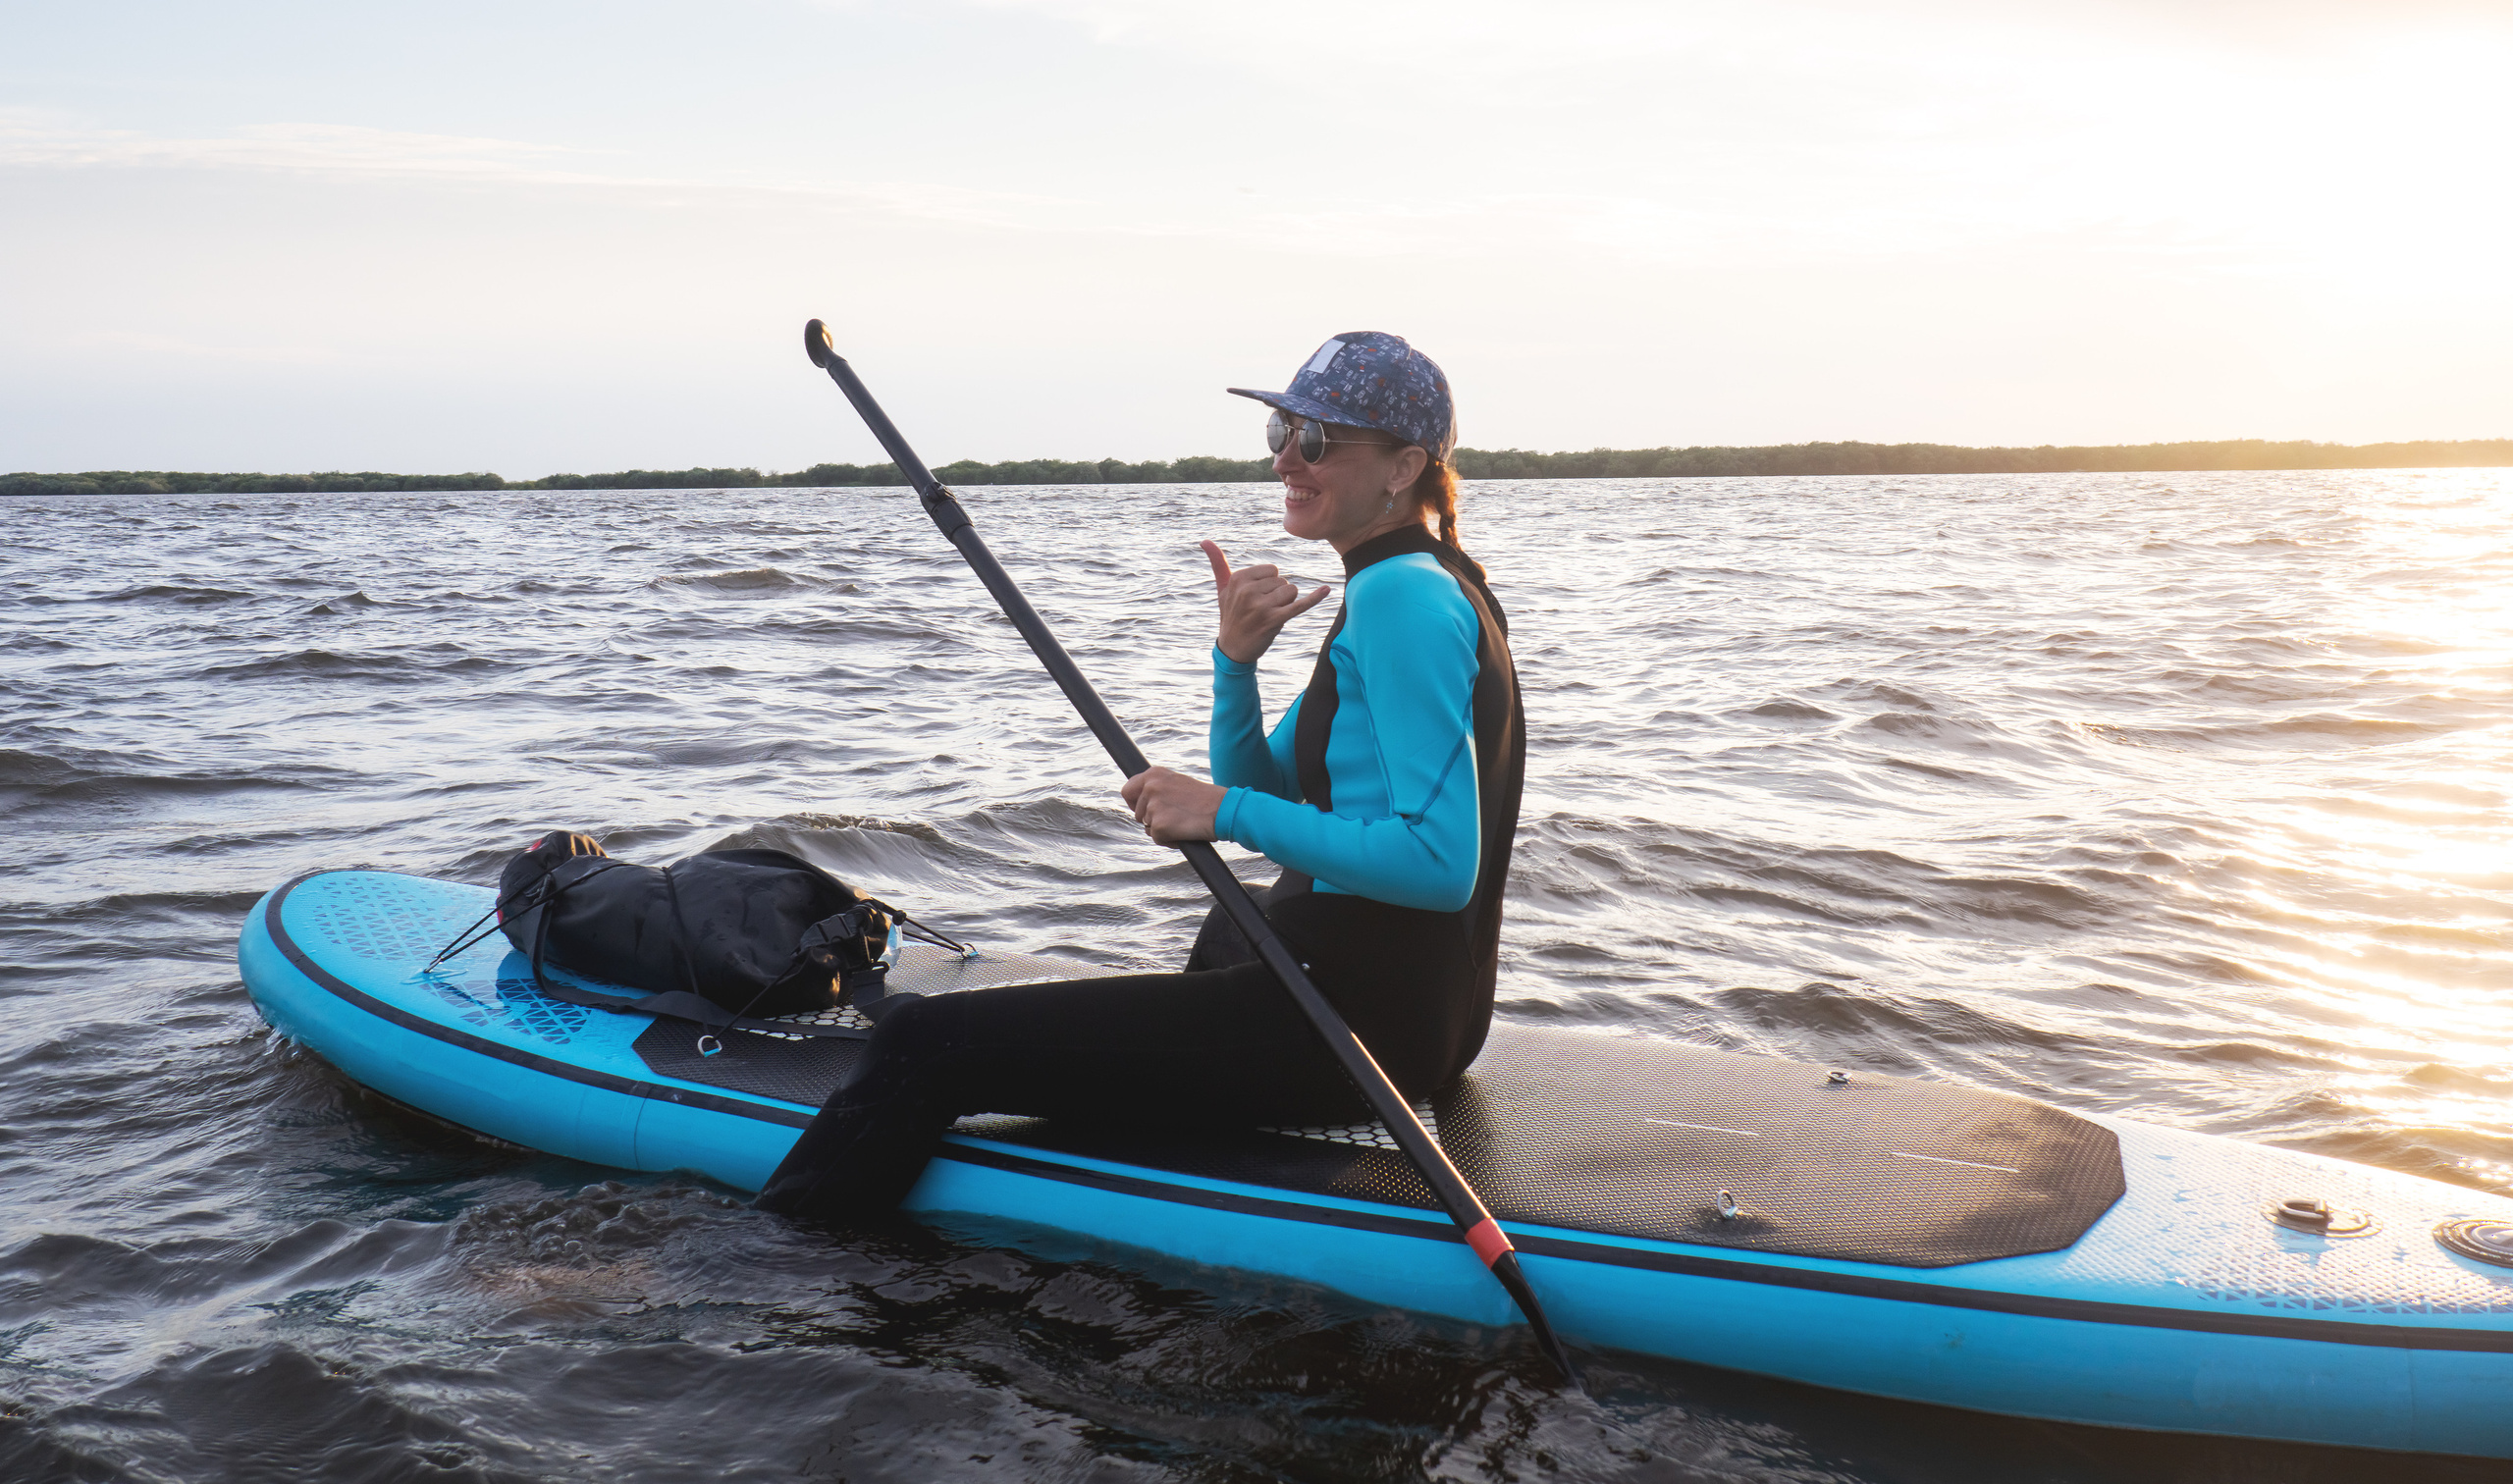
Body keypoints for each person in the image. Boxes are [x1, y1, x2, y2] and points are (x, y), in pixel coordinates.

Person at [757, 331, 1524, 1221]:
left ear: (1403, 468)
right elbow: (1277, 789)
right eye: (1281, 430)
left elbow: (1436, 865)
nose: (1285, 459)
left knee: (927, 1043)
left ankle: (751, 1283)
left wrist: (1222, 812)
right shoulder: (1430, 583)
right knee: (1231, 929)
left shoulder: (1399, 597)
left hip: (1353, 1028)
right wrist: (1235, 665)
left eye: (1317, 440)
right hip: (1417, 1014)